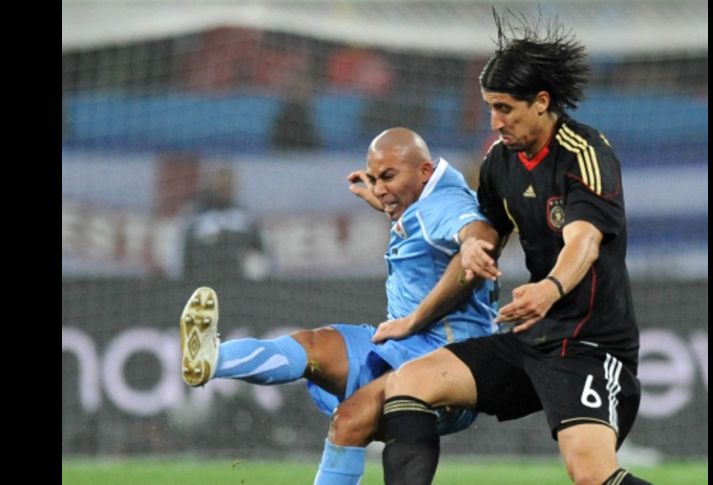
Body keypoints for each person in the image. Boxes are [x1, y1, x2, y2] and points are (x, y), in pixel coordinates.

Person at [378, 12, 651, 485]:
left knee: (590, 476)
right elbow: (485, 234)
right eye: (489, 107)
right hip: (529, 340)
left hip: (588, 344)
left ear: (541, 102)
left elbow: (583, 242)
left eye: (504, 108)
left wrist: (548, 288)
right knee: (408, 385)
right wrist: (460, 265)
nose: (495, 120)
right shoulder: (500, 161)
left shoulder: (585, 153)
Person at [179, 127, 498, 484]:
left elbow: (479, 232)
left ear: (423, 172)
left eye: (388, 176)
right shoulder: (426, 199)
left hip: (449, 363)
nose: (378, 188)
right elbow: (430, 224)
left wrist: (470, 249)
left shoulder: (446, 204)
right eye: (376, 178)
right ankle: (211, 358)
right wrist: (391, 203)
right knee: (313, 345)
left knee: (350, 420)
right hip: (408, 349)